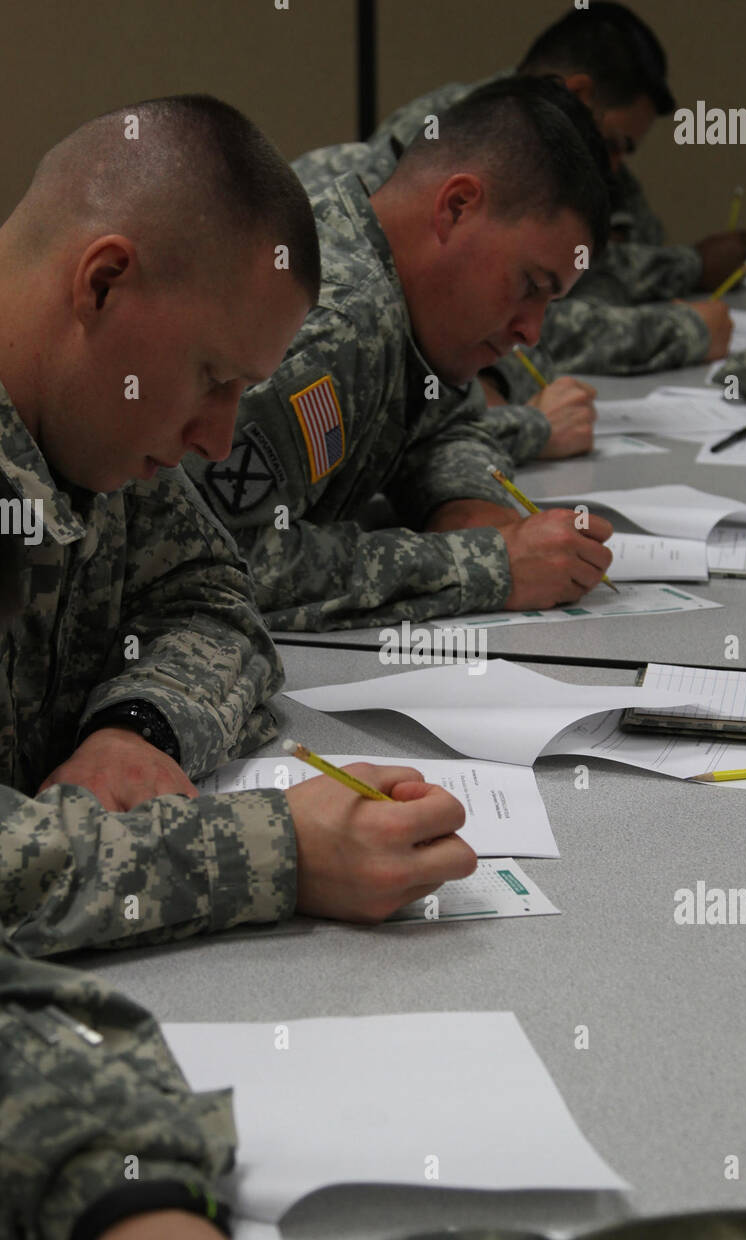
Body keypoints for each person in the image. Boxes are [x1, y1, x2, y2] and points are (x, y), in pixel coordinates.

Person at [0, 93, 476, 956]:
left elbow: (215, 597)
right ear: (103, 284)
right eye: (214, 377)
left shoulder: (97, 424)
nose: (218, 438)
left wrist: (136, 727)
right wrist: (281, 852)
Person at [185, 77, 616, 632]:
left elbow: (445, 422)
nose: (532, 331)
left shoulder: (409, 304)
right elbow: (223, 560)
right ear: (457, 208)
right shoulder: (330, 324)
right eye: (530, 284)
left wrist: (464, 503)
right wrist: (486, 564)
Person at [293, 2, 746, 380]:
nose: (613, 167)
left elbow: (602, 270)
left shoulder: (569, 154)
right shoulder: (473, 140)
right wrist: (681, 328)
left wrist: (683, 269)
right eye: (614, 145)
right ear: (582, 95)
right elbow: (499, 327)